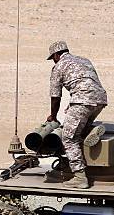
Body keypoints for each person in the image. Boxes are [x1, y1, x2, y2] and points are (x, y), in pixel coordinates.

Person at [46, 40, 108, 189]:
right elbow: (87, 82)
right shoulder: (83, 60)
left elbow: (55, 96)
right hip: (99, 99)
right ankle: (90, 130)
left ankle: (79, 177)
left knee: (68, 137)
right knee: (77, 129)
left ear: (56, 54)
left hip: (81, 101)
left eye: (52, 57)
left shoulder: (58, 66)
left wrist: (53, 116)